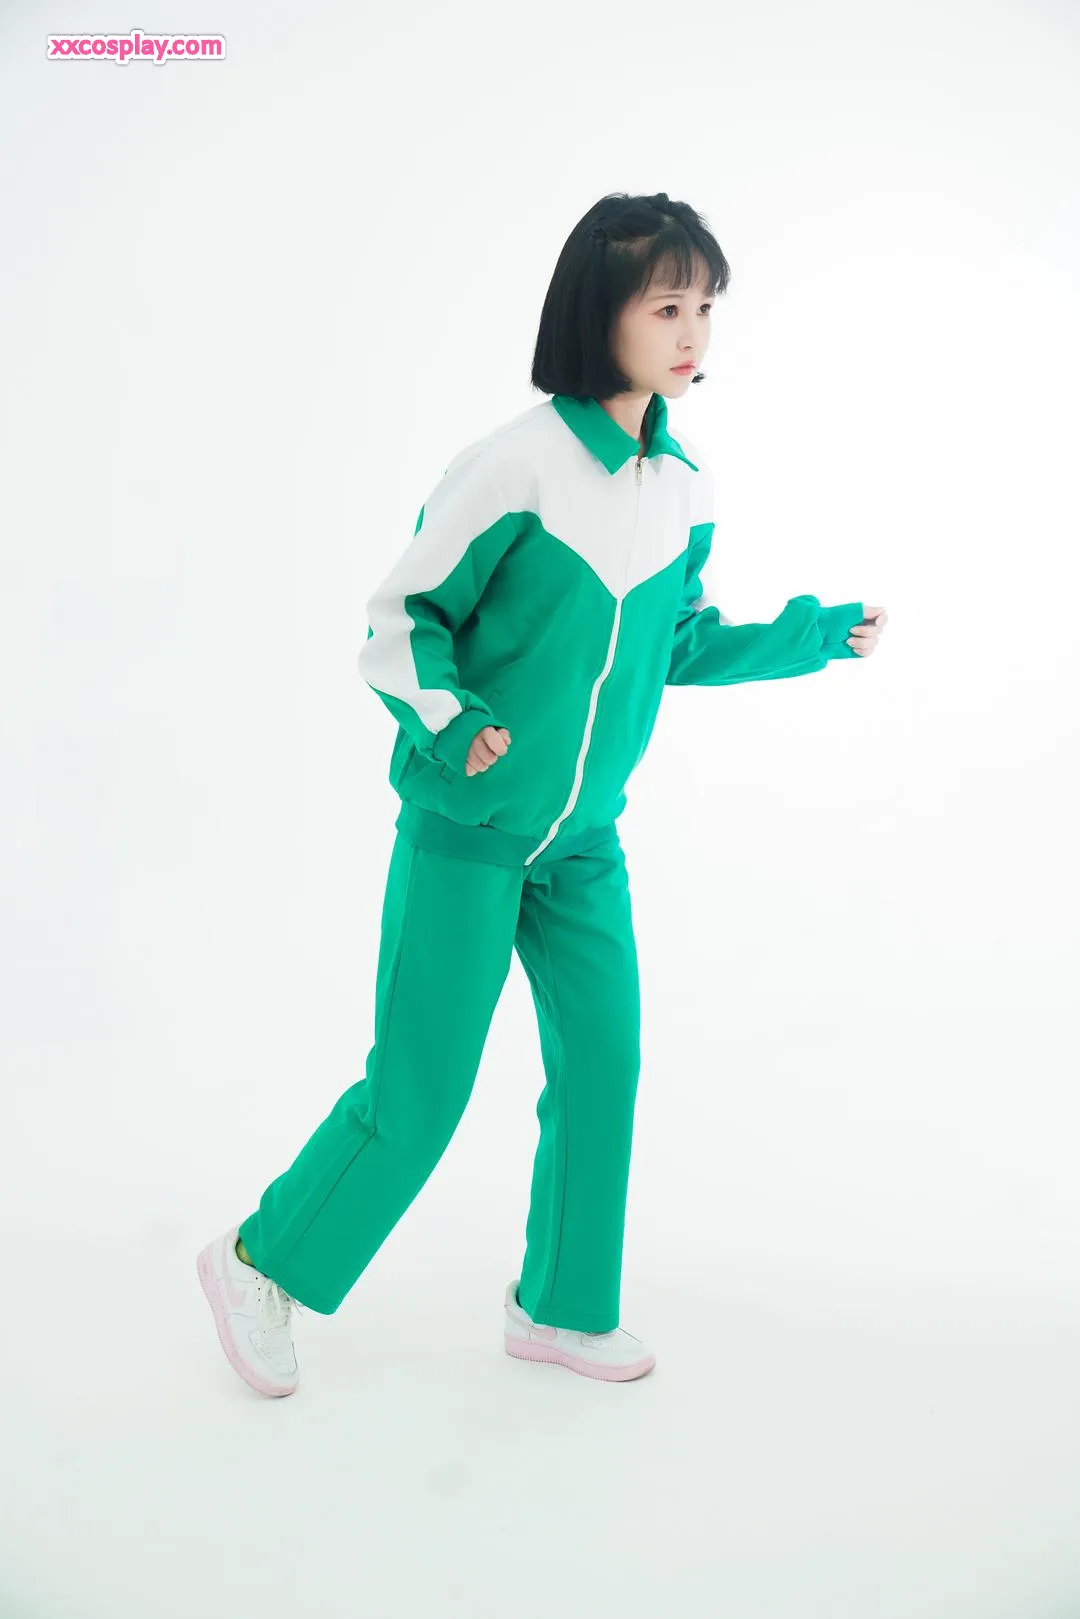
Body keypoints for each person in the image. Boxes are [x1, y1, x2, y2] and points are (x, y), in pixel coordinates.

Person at [197, 189, 887, 1398]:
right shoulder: (513, 467)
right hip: (468, 833)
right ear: (596, 312)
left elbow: (674, 640)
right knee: (420, 1093)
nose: (692, 331)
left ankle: (561, 1305)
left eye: (704, 306)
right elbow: (401, 620)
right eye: (665, 306)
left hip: (582, 844)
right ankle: (260, 1260)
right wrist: (454, 722)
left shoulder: (683, 484)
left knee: (604, 1064)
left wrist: (811, 635)